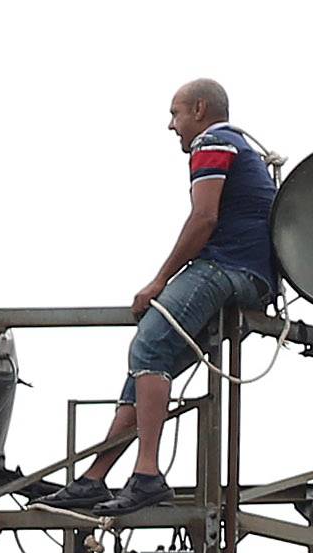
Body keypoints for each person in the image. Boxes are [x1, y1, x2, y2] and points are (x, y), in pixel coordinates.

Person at [40, 81, 277, 518]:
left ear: (200, 109)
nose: (172, 126)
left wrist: (158, 281)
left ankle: (146, 474)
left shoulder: (212, 142)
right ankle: (95, 478)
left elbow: (204, 218)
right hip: (253, 276)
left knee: (149, 346)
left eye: (177, 113)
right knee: (150, 367)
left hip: (228, 267)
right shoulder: (239, 146)